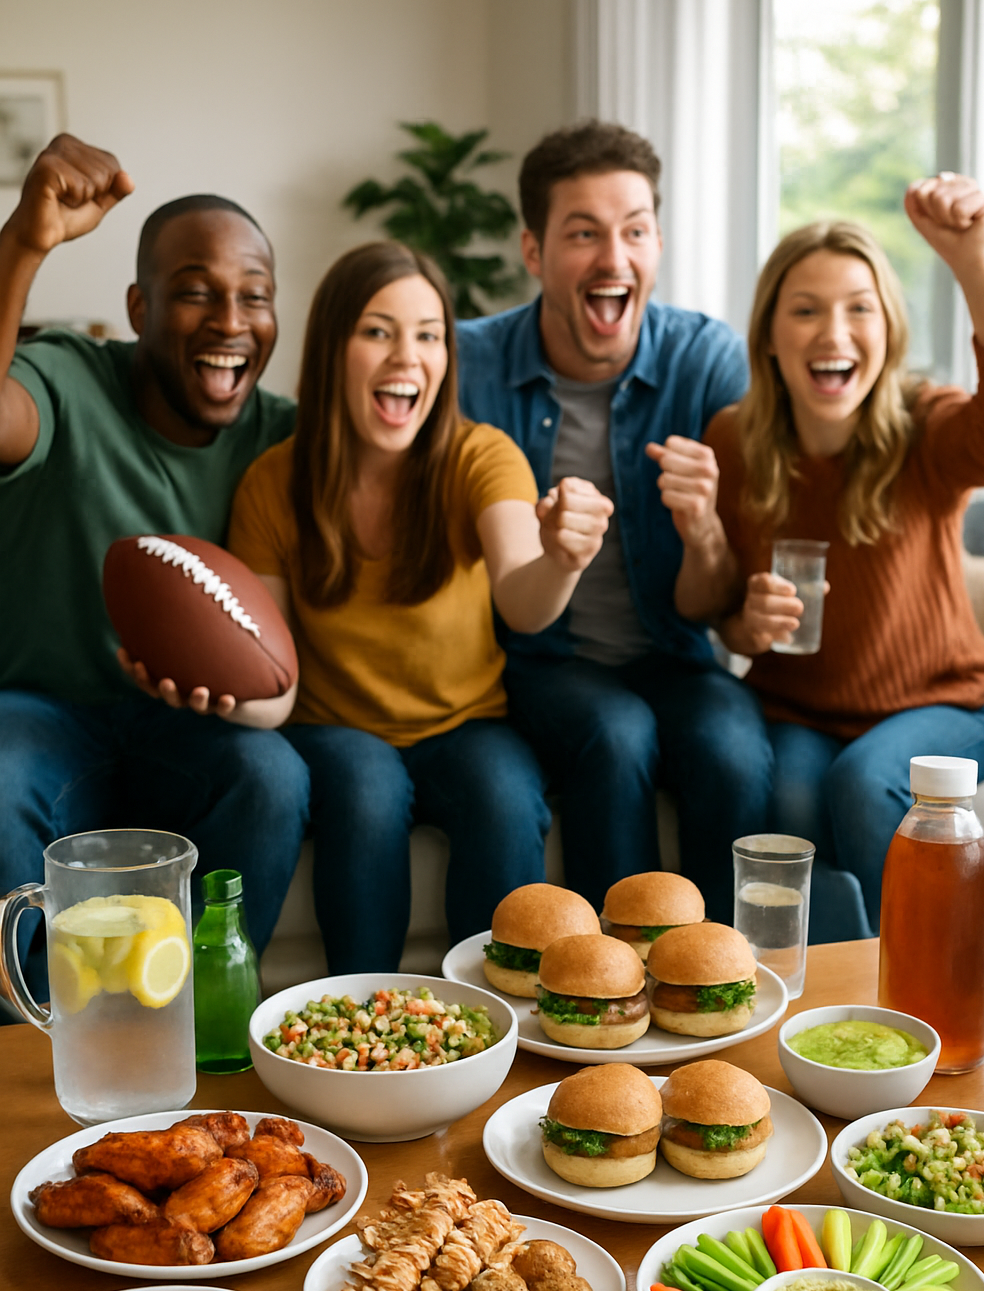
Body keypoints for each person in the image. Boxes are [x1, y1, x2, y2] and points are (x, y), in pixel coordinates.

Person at [228, 240, 611, 970]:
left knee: (504, 794)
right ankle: (358, 1020)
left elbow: (524, 600)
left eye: (429, 335)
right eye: (377, 331)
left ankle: (496, 1022)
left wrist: (562, 557)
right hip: (336, 730)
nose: (408, 356)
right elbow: (268, 670)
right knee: (369, 789)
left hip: (464, 723)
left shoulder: (481, 455)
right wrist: (215, 692)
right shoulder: (272, 483)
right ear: (331, 350)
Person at [0, 134, 309, 1008]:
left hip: (187, 727)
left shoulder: (284, 437)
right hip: (42, 707)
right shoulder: (67, 379)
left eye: (255, 296)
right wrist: (25, 239)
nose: (230, 321)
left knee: (272, 773)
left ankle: (208, 1026)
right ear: (138, 306)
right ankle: (33, 1050)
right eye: (195, 294)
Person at [456, 120, 772, 923]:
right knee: (617, 731)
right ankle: (609, 990)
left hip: (673, 649)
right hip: (538, 660)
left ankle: (723, 984)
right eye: (584, 234)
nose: (614, 257)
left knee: (734, 753)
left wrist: (703, 528)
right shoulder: (467, 365)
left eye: (635, 230)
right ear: (533, 252)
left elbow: (713, 609)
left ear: (658, 241)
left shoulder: (706, 360)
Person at [710, 174, 984, 940]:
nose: (833, 332)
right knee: (780, 809)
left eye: (859, 309)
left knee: (863, 783)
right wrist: (744, 625)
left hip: (947, 704)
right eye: (806, 310)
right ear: (770, 336)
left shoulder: (924, 426)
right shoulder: (734, 442)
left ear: (887, 330)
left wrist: (976, 261)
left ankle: (919, 991)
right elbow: (724, 613)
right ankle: (824, 993)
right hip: (800, 710)